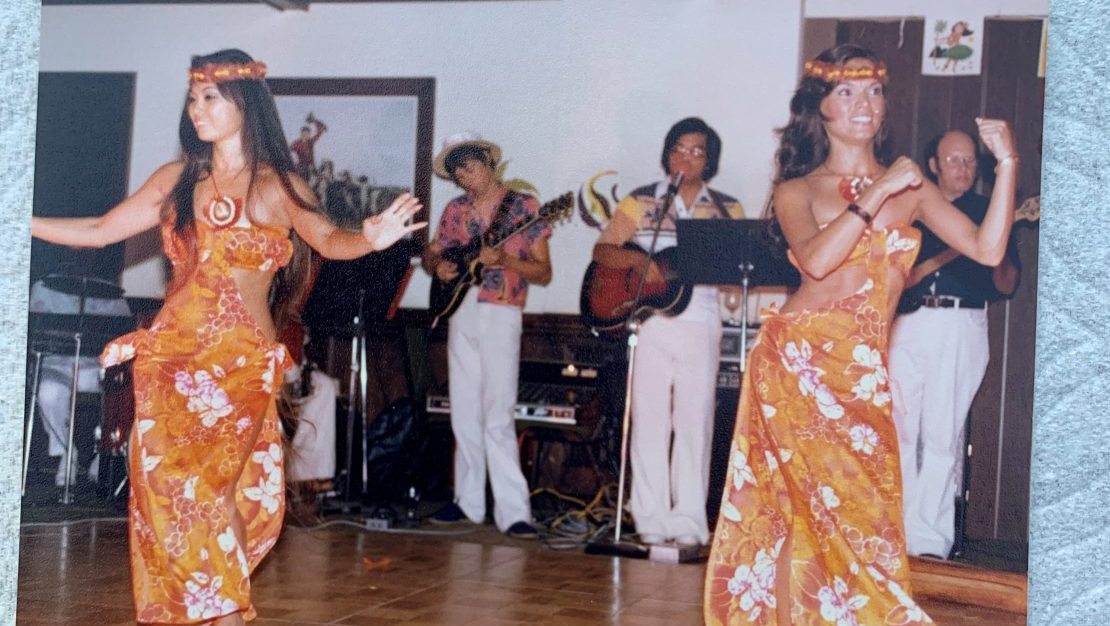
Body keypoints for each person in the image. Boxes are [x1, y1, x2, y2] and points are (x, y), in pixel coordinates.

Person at [30, 49, 424, 626]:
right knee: (170, 497)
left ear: (246, 103)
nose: (197, 109)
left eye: (211, 97)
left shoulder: (278, 186)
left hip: (238, 368)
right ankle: (218, 614)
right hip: (169, 361)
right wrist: (18, 218)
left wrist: (369, 237)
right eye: (193, 98)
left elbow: (329, 240)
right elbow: (97, 230)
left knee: (213, 493)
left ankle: (228, 615)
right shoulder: (175, 180)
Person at [704, 43, 1017, 625]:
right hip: (797, 362)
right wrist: (875, 192)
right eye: (844, 92)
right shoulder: (798, 188)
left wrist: (1007, 166)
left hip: (865, 366)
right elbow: (818, 262)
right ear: (818, 108)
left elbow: (987, 247)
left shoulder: (914, 187)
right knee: (797, 508)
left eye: (873, 91)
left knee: (862, 506)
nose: (863, 104)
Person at [591, 117, 744, 547]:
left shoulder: (726, 207)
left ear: (709, 160)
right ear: (667, 154)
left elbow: (734, 270)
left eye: (697, 151)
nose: (687, 158)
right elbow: (603, 249)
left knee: (695, 420)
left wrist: (737, 272)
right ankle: (649, 518)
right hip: (650, 320)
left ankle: (689, 521)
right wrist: (641, 263)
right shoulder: (641, 201)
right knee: (649, 420)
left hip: (702, 319)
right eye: (680, 149)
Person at [888, 129, 1020, 559]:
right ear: (933, 166)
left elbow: (1007, 282)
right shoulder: (911, 207)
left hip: (960, 323)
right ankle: (894, 533)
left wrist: (996, 250)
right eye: (953, 160)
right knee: (899, 429)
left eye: (969, 161)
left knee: (943, 433)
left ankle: (928, 539)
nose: (962, 168)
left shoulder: (989, 210)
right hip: (906, 321)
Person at [421, 131, 551, 540]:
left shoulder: (524, 207)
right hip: (461, 310)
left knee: (498, 413)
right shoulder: (455, 209)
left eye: (470, 167)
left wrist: (506, 259)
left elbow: (543, 272)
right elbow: (433, 251)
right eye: (458, 171)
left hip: (501, 310)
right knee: (463, 409)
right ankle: (467, 502)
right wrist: (437, 266)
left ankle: (514, 511)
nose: (464, 177)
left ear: (489, 164)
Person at [28, 273, 131, 487]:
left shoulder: (112, 294)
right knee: (48, 392)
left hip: (96, 368)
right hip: (58, 365)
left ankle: (103, 455)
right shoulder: (45, 287)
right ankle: (66, 451)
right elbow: (35, 331)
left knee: (121, 392)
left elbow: (125, 337)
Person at [289, 113, 326, 180]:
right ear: (301, 134)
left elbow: (320, 131)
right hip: (301, 167)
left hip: (311, 167)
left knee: (317, 179)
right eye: (303, 134)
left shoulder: (310, 142)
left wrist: (315, 121)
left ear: (309, 135)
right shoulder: (296, 143)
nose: (305, 136)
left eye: (307, 134)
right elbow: (288, 149)